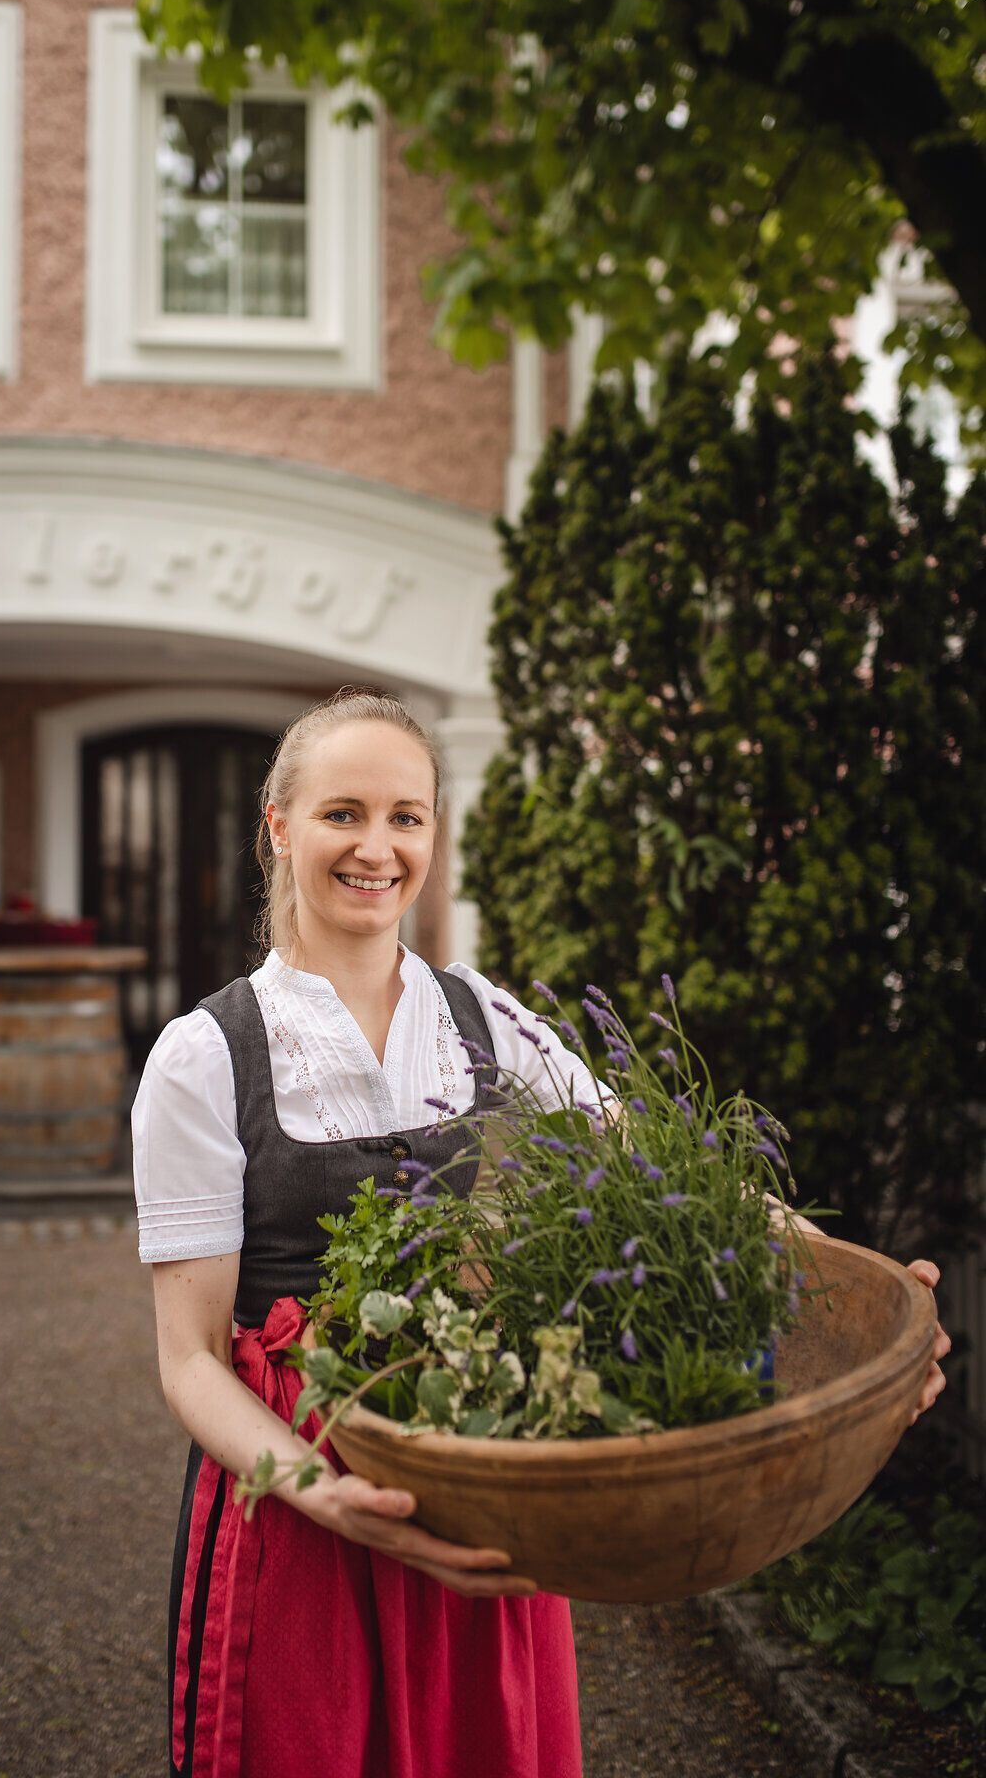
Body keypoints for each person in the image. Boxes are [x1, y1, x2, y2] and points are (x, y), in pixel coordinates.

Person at [132, 688, 950, 1778]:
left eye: (407, 817)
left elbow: (670, 1168)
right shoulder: (204, 1057)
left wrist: (867, 1303)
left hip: (476, 1451)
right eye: (343, 814)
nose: (378, 847)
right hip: (303, 1495)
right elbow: (189, 1361)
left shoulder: (478, 1015)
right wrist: (322, 1493)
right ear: (279, 826)